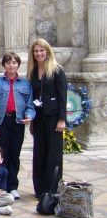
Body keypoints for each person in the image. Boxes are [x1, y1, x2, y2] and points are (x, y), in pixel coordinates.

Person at [0, 52, 35, 199]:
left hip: (17, 122)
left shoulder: (25, 84)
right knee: (1, 156)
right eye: (8, 63)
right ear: (4, 65)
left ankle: (13, 186)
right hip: (1, 122)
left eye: (14, 63)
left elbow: (30, 105)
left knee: (14, 155)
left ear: (18, 65)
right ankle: (0, 185)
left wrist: (29, 116)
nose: (11, 65)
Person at [27, 38, 67, 197]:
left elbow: (62, 95)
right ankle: (40, 188)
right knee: (40, 152)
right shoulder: (33, 71)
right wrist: (31, 120)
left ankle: (52, 189)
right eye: (36, 51)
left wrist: (62, 119)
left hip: (54, 117)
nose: (39, 54)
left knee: (53, 154)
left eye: (42, 50)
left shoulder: (57, 70)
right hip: (39, 117)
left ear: (48, 52)